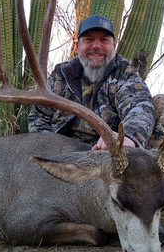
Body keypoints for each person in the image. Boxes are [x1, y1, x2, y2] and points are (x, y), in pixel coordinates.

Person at [28, 14, 156, 151]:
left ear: (113, 46)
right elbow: (39, 115)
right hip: (63, 150)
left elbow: (140, 105)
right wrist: (49, 150)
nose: (96, 46)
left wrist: (128, 137)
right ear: (78, 46)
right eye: (88, 39)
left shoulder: (124, 73)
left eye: (104, 40)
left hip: (107, 151)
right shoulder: (62, 74)